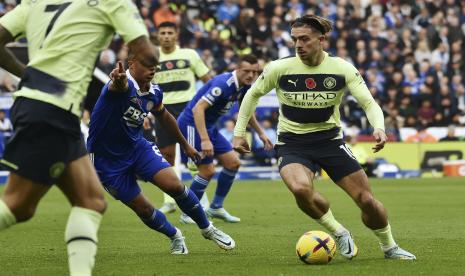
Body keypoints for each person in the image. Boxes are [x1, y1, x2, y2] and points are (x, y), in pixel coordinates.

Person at [232, 15, 416, 260]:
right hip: (292, 143)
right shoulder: (279, 68)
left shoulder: (341, 68)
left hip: (330, 141)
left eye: (304, 39)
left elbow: (368, 102)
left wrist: (379, 127)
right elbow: (251, 96)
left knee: (367, 201)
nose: (298, 44)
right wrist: (239, 132)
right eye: (294, 39)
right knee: (300, 188)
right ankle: (338, 232)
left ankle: (389, 246)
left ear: (321, 40)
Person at [0, 0, 155, 275]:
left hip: (47, 108)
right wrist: (144, 38)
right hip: (54, 110)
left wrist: (27, 75)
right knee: (18, 205)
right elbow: (148, 54)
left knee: (91, 201)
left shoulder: (37, 2)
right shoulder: (112, 2)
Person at [87, 56, 235, 253]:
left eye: (154, 66)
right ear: (132, 64)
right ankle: (175, 235)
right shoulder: (120, 85)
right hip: (106, 162)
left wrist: (186, 145)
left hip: (137, 148)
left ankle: (208, 229)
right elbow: (118, 87)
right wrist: (118, 80)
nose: (152, 69)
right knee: (144, 209)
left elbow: (164, 116)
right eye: (147, 65)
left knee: (174, 185)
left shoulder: (154, 92)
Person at [177, 54, 273, 224]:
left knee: (233, 163)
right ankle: (187, 213)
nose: (251, 75)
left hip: (209, 126)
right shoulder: (223, 85)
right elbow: (198, 109)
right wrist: (205, 140)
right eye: (247, 71)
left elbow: (246, 110)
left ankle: (216, 207)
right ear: (237, 69)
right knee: (207, 170)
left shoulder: (245, 86)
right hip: (192, 124)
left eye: (254, 72)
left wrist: (261, 133)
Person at [153, 21, 211, 214]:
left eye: (170, 32)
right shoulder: (152, 57)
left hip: (188, 109)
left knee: (194, 156)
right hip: (162, 110)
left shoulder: (189, 55)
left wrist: (205, 104)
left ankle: (201, 199)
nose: (167, 35)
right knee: (166, 157)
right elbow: (144, 85)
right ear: (157, 35)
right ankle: (169, 201)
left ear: (177, 34)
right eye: (163, 32)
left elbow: (207, 80)